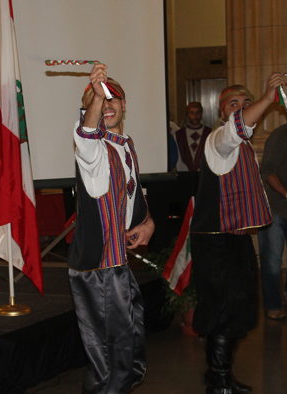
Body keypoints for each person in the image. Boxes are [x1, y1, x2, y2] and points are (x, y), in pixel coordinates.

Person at [190, 73, 284, 394]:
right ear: (222, 113)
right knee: (224, 310)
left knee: (238, 309)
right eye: (235, 104)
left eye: (247, 102)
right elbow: (239, 127)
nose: (243, 107)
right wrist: (268, 97)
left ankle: (219, 376)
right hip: (216, 242)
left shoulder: (240, 147)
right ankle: (218, 382)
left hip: (232, 237)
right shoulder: (220, 139)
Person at [68, 63, 155, 394]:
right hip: (97, 268)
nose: (107, 105)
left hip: (116, 265)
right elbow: (86, 134)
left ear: (124, 105)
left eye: (112, 98)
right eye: (98, 100)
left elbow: (132, 199)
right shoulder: (92, 147)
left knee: (129, 355)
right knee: (111, 361)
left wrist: (147, 223)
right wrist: (96, 88)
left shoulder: (125, 144)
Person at [258, 118, 287, 320]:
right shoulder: (281, 136)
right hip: (274, 207)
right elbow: (267, 170)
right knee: (272, 260)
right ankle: (272, 305)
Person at [172, 102, 212, 172]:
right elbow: (177, 157)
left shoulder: (209, 133)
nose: (195, 116)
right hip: (184, 175)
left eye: (197, 113)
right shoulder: (179, 135)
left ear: (201, 114)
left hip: (203, 174)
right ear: (188, 114)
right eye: (192, 113)